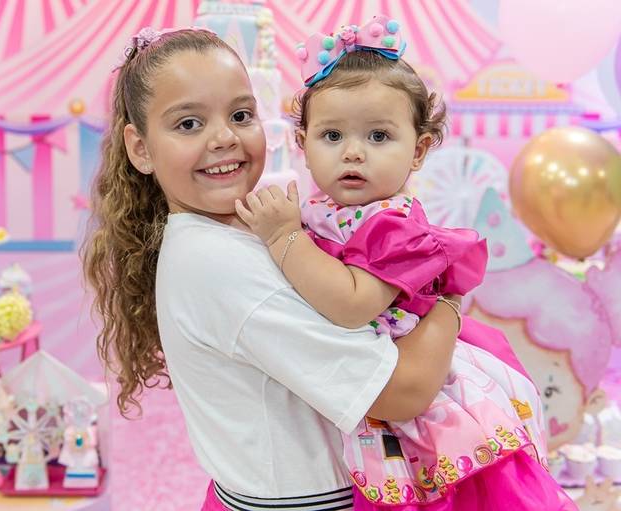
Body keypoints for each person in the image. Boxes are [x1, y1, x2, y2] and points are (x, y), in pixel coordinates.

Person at [83, 26, 467, 511]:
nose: (224, 138)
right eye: (188, 124)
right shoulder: (219, 263)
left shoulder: (244, 231)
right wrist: (449, 299)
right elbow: (402, 392)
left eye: (241, 115)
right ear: (140, 148)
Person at [235, 17, 576, 510]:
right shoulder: (322, 212)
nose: (353, 152)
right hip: (352, 381)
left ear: (417, 151)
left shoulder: (397, 228)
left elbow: (353, 304)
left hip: (412, 387)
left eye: (378, 136)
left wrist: (284, 238)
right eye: (332, 135)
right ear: (303, 145)